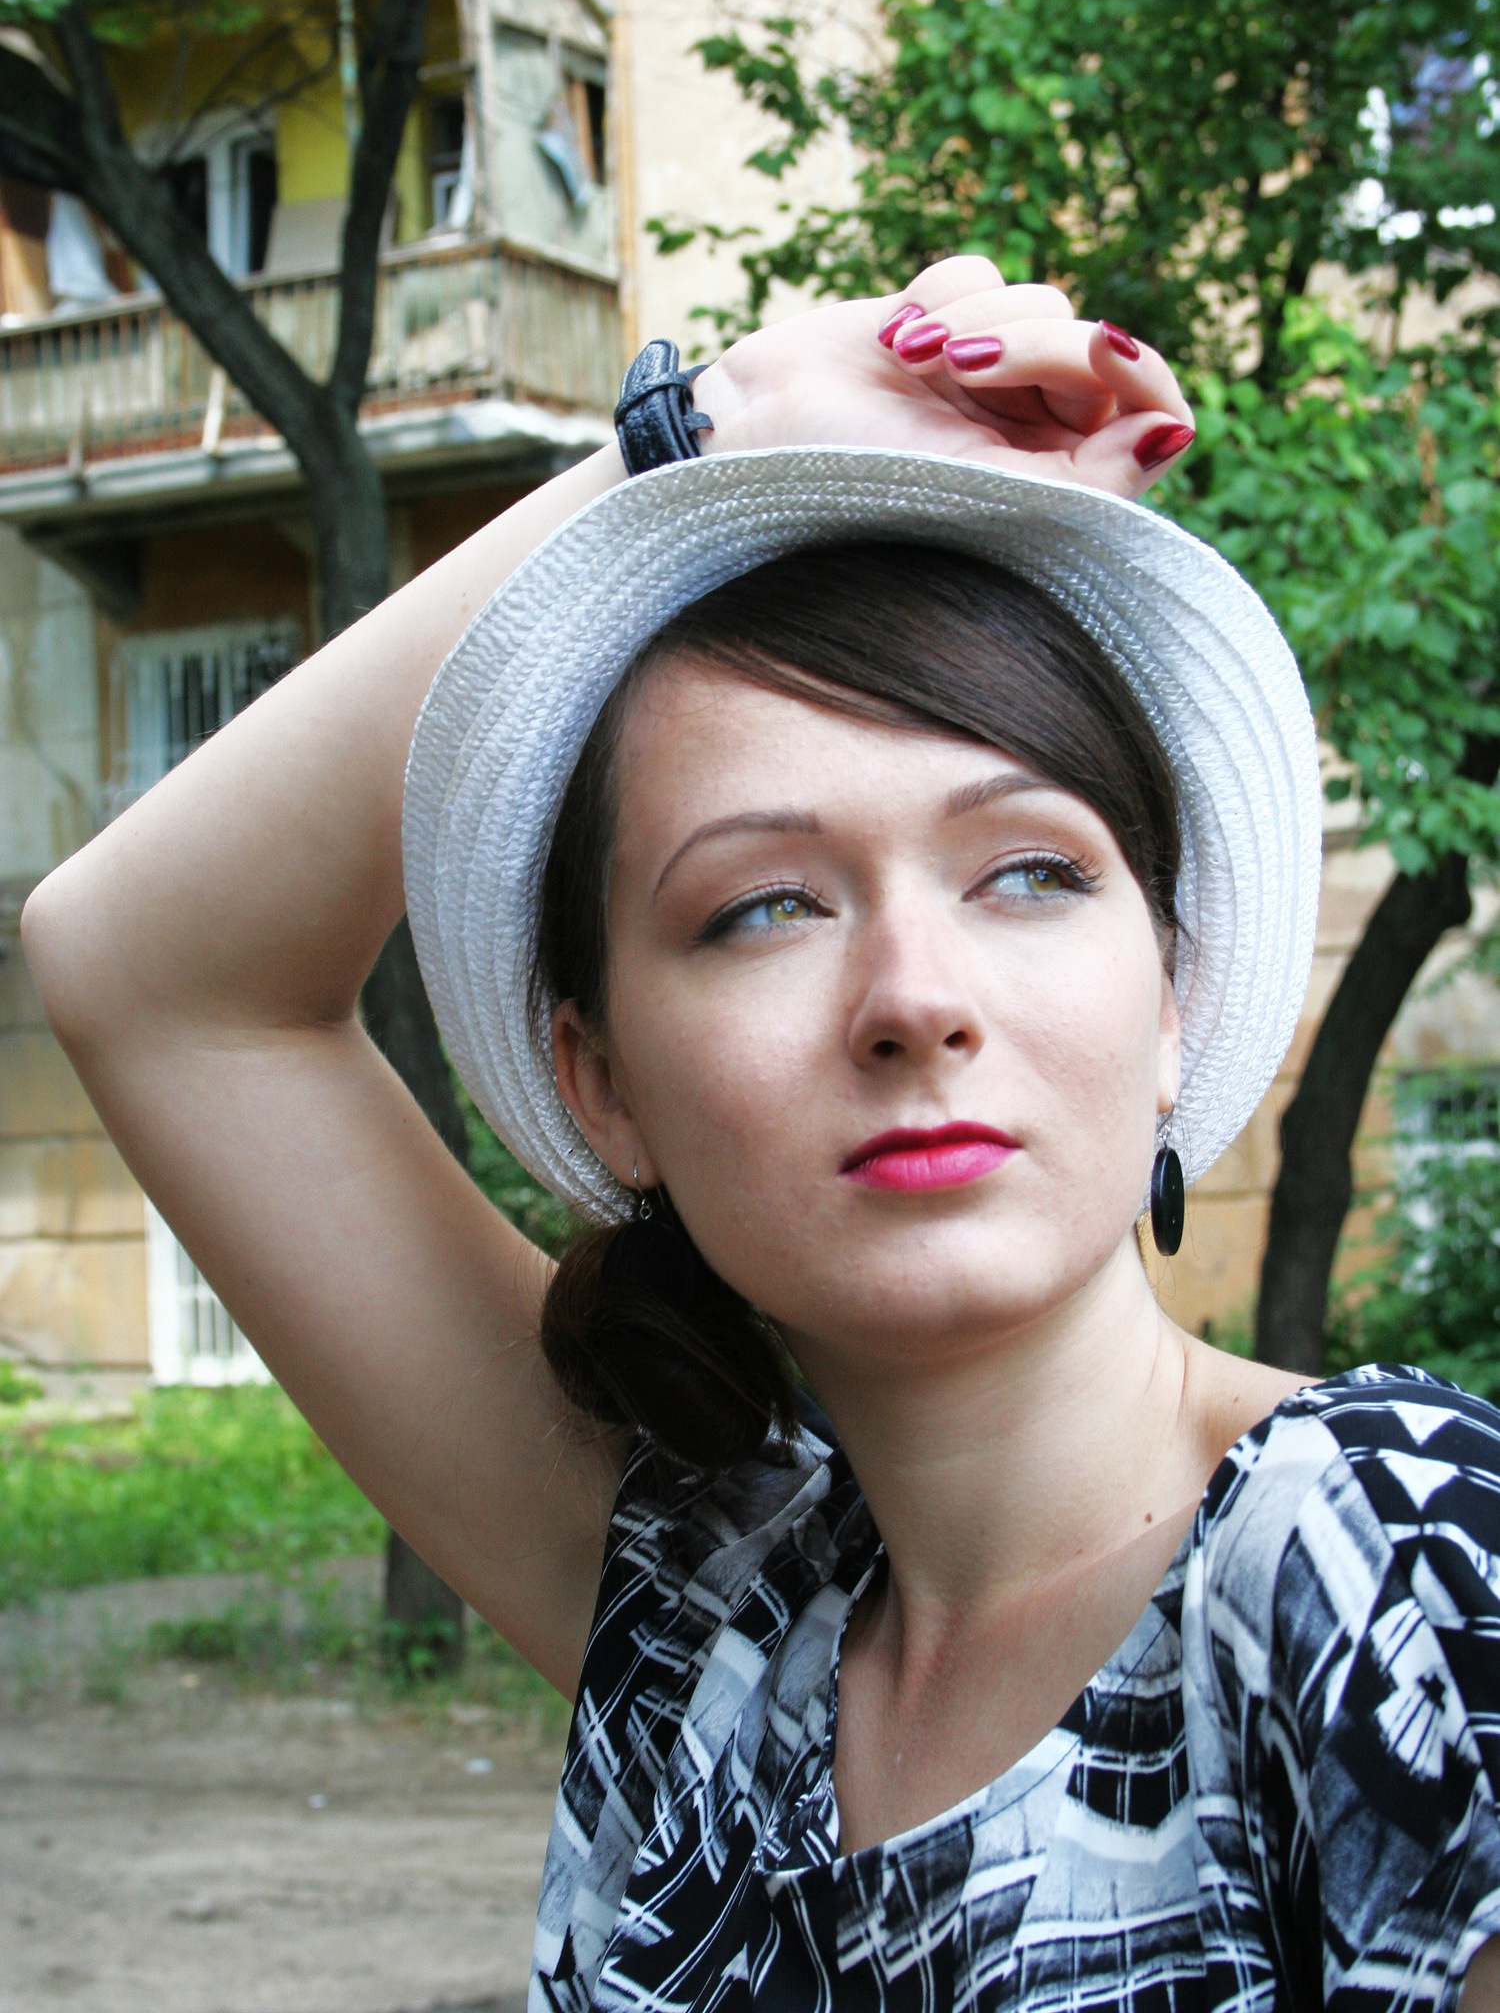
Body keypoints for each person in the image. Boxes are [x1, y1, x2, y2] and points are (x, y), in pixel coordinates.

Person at [21, 257, 1500, 2012]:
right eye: (765, 907)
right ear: (603, 1084)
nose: (915, 998)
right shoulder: (707, 1628)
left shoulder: (1391, 1564)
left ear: (1173, 993)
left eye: (1030, 871)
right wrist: (719, 430)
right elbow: (136, 968)